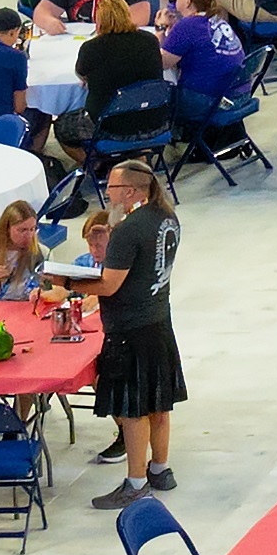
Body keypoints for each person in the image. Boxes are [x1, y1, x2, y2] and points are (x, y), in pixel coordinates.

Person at [82, 152, 185, 508]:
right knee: (160, 401)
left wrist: (67, 282)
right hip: (158, 319)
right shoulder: (166, 218)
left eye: (111, 187)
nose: (107, 192)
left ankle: (136, 481)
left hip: (129, 327)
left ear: (130, 191)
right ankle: (160, 468)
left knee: (133, 409)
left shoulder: (129, 229)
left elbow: (109, 285)